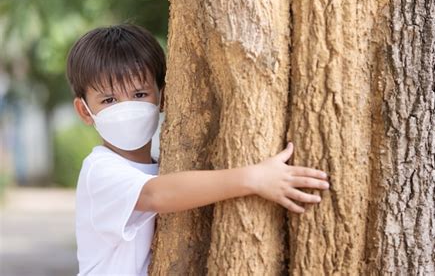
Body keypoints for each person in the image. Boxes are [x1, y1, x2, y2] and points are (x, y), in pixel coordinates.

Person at [66, 24, 330, 275]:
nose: (126, 109)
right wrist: (254, 178)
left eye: (139, 95)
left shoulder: (165, 165)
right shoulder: (99, 170)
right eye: (109, 100)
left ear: (163, 96)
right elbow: (155, 195)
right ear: (85, 111)